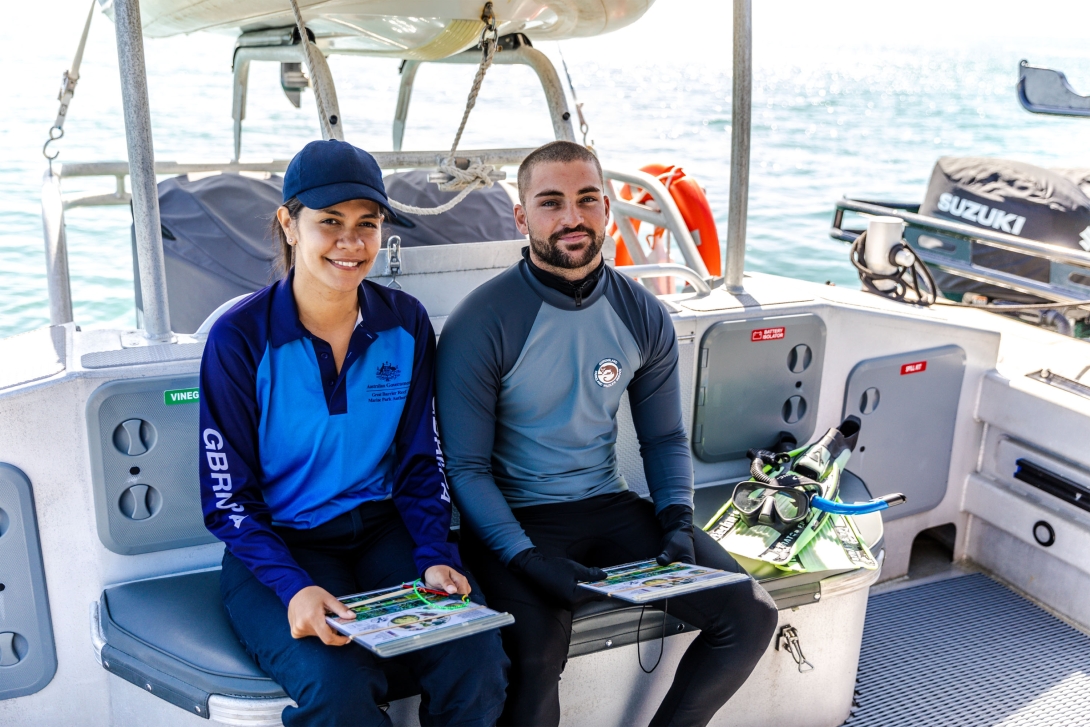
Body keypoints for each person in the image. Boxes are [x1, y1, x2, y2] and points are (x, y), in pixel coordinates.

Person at [435, 140, 778, 727]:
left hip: (608, 505)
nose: (572, 218)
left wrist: (674, 520)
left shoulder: (640, 313)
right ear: (522, 218)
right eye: (551, 203)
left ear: (607, 209)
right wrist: (525, 559)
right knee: (537, 654)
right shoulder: (482, 322)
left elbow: (665, 439)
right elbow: (465, 469)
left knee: (750, 616)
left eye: (587, 199)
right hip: (516, 522)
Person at [199, 139, 508, 727]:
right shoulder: (239, 339)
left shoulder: (405, 322)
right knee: (342, 686)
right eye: (330, 223)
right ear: (289, 225)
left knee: (475, 654)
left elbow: (420, 463)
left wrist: (434, 555)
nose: (351, 242)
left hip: (380, 531)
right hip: (278, 546)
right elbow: (227, 499)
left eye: (367, 224)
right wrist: (292, 588)